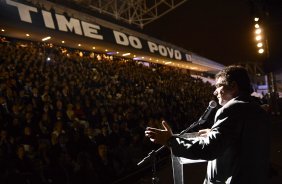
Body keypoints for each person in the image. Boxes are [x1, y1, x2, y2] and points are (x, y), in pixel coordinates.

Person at [145, 65, 271, 184]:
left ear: (233, 86)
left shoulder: (230, 110)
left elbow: (209, 150)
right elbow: (243, 143)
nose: (215, 92)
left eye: (218, 86)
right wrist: (213, 133)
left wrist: (170, 141)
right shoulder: (258, 110)